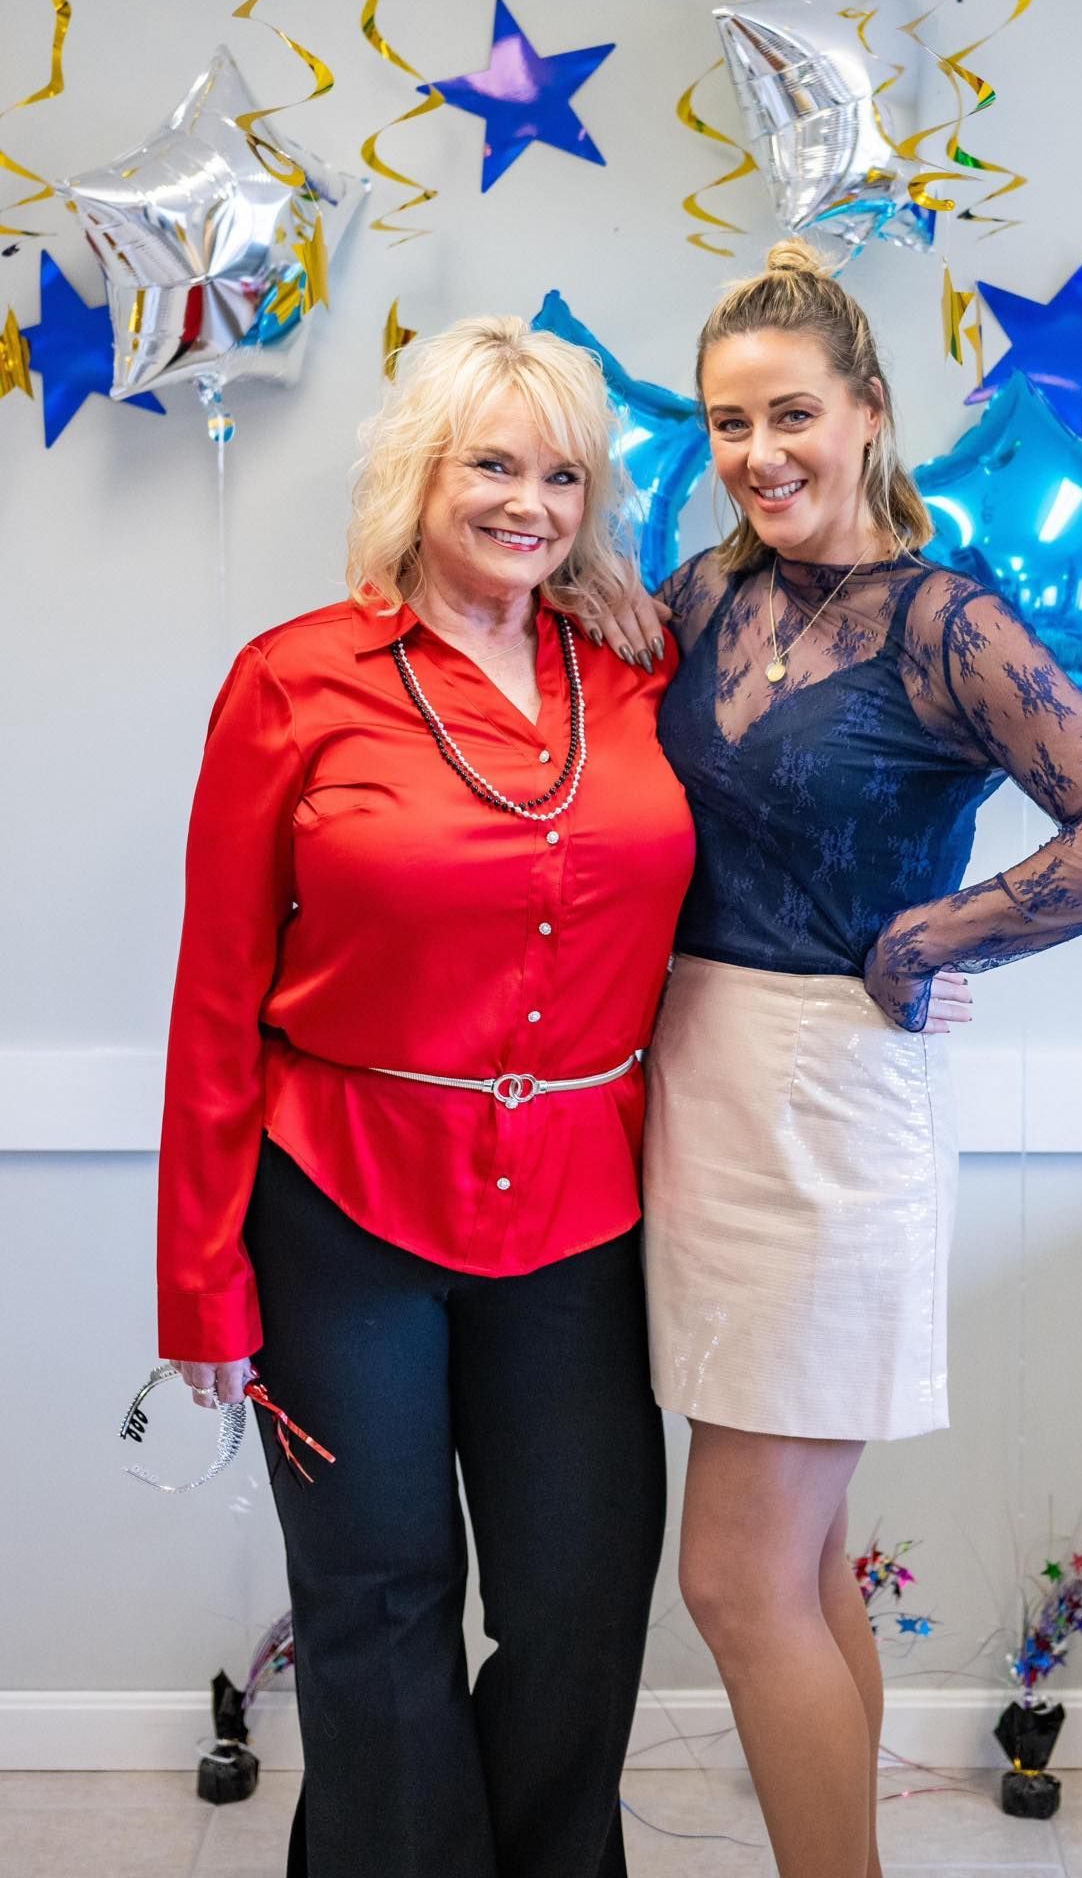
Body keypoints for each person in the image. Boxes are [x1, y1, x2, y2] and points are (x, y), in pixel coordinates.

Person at [609, 240, 1082, 1878]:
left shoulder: (947, 622)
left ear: (867, 415)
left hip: (827, 1113)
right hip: (690, 1092)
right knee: (802, 1563)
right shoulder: (707, 589)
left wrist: (934, 937)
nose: (757, 453)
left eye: (790, 413)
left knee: (735, 1579)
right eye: (728, 423)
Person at [155, 315, 696, 1878]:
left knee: (581, 1597)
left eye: (562, 474)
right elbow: (211, 999)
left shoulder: (639, 676)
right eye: (492, 463)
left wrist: (920, 940)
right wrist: (202, 1282)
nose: (528, 501)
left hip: (587, 1214)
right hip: (337, 1209)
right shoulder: (290, 682)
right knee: (375, 1598)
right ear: (419, 472)